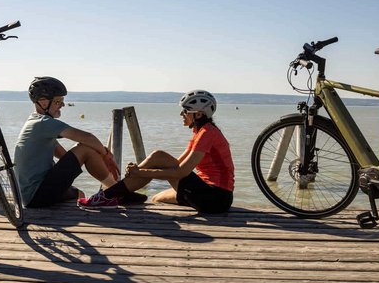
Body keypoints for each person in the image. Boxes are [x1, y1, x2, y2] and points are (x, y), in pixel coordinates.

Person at [78, 90, 235, 214]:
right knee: (156, 198)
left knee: (158, 156)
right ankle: (120, 193)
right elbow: (178, 165)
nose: (181, 115)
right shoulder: (201, 133)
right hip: (209, 195)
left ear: (198, 114)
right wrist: (141, 172)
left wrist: (140, 172)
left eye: (185, 111)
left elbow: (180, 172)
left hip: (215, 198)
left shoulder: (207, 134)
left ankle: (107, 196)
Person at [15, 77, 145, 208]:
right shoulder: (42, 123)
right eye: (58, 101)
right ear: (43, 103)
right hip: (37, 195)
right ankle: (119, 192)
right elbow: (87, 137)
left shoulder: (34, 123)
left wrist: (95, 158)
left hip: (32, 196)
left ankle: (116, 192)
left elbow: (63, 155)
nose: (62, 105)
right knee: (85, 148)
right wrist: (106, 156)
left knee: (80, 194)